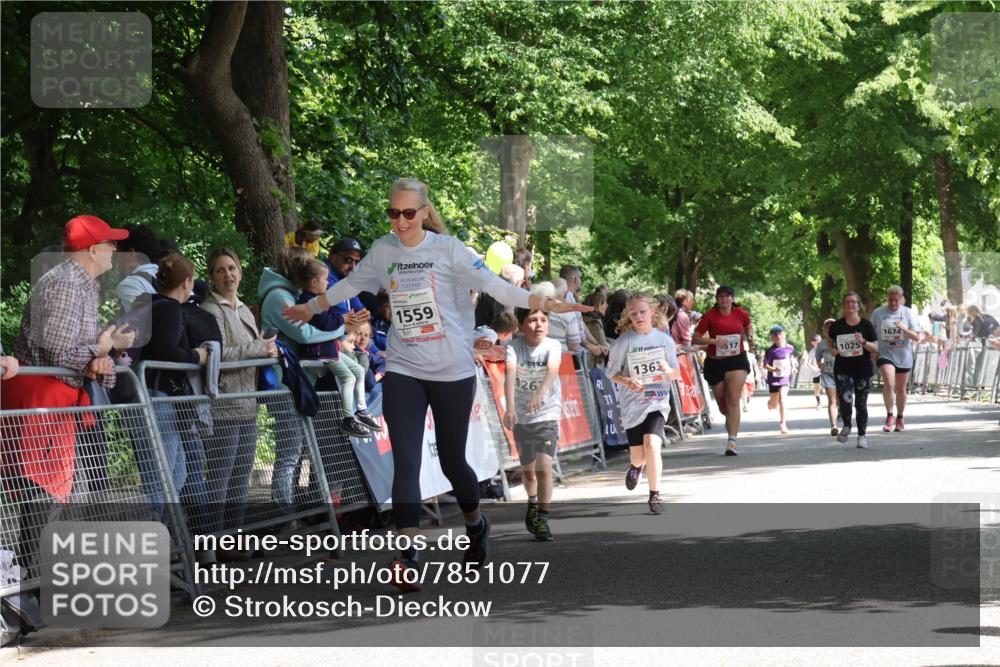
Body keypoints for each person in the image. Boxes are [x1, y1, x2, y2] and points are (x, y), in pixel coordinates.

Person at [283, 177, 589, 588]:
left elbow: (496, 286)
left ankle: (476, 524)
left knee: (452, 461)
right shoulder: (384, 250)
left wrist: (542, 301)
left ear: (424, 212)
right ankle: (406, 555)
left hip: (452, 372)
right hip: (404, 369)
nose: (400, 221)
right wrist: (312, 307)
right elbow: (351, 285)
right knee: (406, 461)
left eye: (408, 213)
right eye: (393, 213)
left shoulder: (450, 250)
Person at [5, 215, 135, 575]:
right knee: (42, 490)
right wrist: (102, 349)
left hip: (55, 399)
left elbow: (75, 352)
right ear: (92, 249)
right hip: (40, 399)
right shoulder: (64, 283)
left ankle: (34, 577)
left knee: (53, 490)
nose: (115, 249)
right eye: (110, 243)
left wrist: (101, 356)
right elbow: (60, 351)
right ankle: (29, 579)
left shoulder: (81, 284)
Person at [257, 247, 343, 519]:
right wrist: (341, 328)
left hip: (294, 381)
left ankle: (292, 512)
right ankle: (283, 517)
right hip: (283, 384)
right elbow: (304, 335)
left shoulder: (289, 295)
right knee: (289, 454)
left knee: (296, 453)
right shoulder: (279, 297)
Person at [200, 248, 278, 543]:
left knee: (241, 480)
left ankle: (234, 539)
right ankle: (213, 542)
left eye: (231, 268)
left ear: (240, 272)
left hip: (248, 403)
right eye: (220, 270)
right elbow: (218, 354)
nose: (227, 275)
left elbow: (255, 348)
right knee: (220, 479)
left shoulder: (244, 309)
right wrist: (260, 348)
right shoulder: (211, 310)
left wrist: (268, 349)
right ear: (211, 276)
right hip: (224, 404)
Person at [140, 253, 210, 518]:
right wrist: (196, 356)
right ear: (187, 282)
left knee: (177, 474)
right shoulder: (169, 309)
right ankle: (156, 535)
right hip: (160, 398)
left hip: (162, 397)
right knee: (163, 478)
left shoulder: (151, 305)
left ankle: (168, 532)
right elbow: (165, 351)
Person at [606, 293, 681, 514]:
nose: (638, 316)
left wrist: (667, 370)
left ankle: (655, 495)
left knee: (652, 446)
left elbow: (676, 373)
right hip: (633, 403)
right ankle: (636, 466)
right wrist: (627, 381)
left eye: (642, 312)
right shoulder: (623, 342)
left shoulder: (665, 341)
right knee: (639, 455)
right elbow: (611, 373)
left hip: (657, 400)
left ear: (652, 312)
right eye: (633, 313)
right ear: (628, 315)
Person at [293, 258, 379, 437]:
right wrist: (343, 319)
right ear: (314, 282)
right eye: (325, 280)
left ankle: (361, 411)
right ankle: (348, 419)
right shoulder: (309, 301)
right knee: (348, 377)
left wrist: (344, 320)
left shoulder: (318, 300)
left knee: (359, 370)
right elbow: (325, 323)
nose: (327, 283)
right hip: (319, 351)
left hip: (329, 349)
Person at [502, 307, 562, 541]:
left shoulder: (553, 345)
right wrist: (510, 408)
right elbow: (509, 374)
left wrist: (540, 392)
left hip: (547, 413)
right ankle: (532, 502)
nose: (538, 325)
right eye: (532, 320)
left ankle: (542, 519)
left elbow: (552, 370)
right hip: (523, 416)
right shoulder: (513, 347)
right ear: (521, 325)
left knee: (544, 467)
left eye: (543, 320)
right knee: (529, 474)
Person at [692, 285, 754, 456]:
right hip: (715, 362)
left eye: (727, 296)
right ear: (717, 299)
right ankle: (729, 417)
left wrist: (750, 336)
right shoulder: (710, 315)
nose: (724, 299)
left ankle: (732, 442)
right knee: (723, 404)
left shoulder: (741, 313)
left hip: (736, 359)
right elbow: (695, 338)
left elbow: (748, 325)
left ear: (733, 298)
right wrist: (713, 342)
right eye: (721, 296)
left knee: (733, 400)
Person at [827, 292, 879, 449]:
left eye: (854, 302)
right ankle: (847, 425)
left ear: (858, 306)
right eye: (847, 302)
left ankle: (862, 435)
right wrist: (833, 350)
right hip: (843, 369)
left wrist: (862, 341)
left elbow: (875, 348)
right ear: (843, 306)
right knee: (846, 400)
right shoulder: (837, 326)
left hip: (863, 369)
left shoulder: (866, 325)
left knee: (861, 404)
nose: (850, 304)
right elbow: (830, 341)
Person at [870, 285, 922, 433]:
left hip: (903, 355)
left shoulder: (908, 313)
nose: (893, 303)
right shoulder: (878, 313)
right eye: (890, 300)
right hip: (885, 353)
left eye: (896, 300)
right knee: (889, 383)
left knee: (901, 389)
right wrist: (873, 350)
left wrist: (903, 328)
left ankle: (900, 417)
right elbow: (870, 333)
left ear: (901, 299)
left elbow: (917, 337)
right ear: (887, 299)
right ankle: (889, 415)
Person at [115, 224, 162, 313]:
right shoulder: (171, 276)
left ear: (131, 253)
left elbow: (140, 320)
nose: (116, 260)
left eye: (118, 253)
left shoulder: (130, 284)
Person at [762, 325, 795, 434]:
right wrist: (774, 369)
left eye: (780, 334)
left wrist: (794, 367)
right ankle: (771, 402)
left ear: (784, 335)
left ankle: (783, 424)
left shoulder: (790, 348)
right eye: (775, 335)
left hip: (785, 377)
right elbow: (765, 365)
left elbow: (791, 359)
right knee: (773, 405)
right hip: (774, 379)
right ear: (772, 337)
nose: (778, 336)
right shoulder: (770, 351)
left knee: (783, 399)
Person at [816, 319, 839, 436]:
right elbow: (818, 360)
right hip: (828, 374)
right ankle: (833, 425)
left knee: (842, 400)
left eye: (832, 326)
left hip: (842, 373)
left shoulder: (841, 339)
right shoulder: (821, 344)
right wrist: (820, 364)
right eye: (827, 327)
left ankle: (841, 413)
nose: (829, 329)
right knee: (832, 400)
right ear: (824, 330)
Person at [582, 291, 610, 368]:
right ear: (598, 305)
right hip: (595, 364)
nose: (607, 305)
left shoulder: (585, 318)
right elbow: (602, 343)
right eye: (605, 303)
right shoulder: (595, 320)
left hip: (587, 362)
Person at [805, 334, 822, 409]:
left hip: (826, 371)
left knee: (830, 387)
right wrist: (814, 368)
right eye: (815, 343)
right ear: (812, 343)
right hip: (816, 372)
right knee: (817, 388)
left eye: (818, 343)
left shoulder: (826, 348)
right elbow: (808, 363)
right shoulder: (812, 351)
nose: (817, 345)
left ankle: (834, 402)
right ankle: (818, 403)